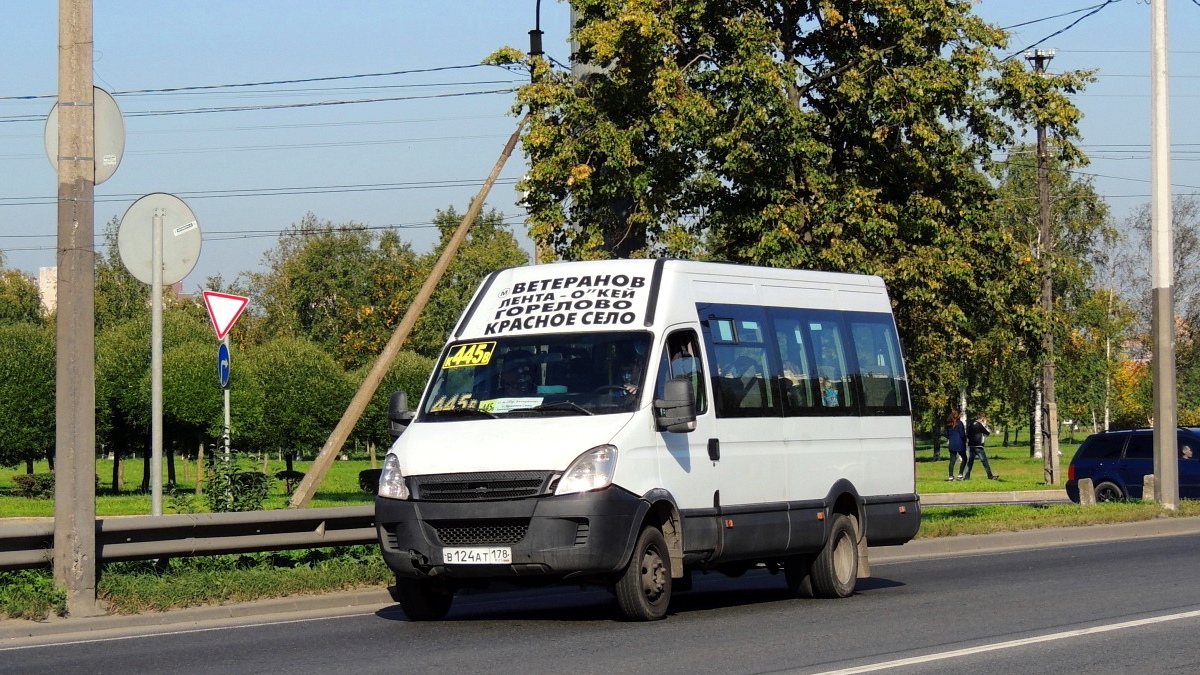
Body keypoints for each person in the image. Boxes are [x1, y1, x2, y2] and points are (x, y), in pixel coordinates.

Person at [965, 410, 999, 480]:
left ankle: (967, 476)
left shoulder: (971, 424)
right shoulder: (980, 425)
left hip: (971, 445)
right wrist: (985, 425)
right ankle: (990, 475)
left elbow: (968, 434)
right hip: (978, 446)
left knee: (970, 462)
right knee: (984, 461)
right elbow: (987, 433)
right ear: (982, 418)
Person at [943, 408, 968, 480]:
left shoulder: (948, 424)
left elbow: (945, 433)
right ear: (958, 415)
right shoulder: (959, 423)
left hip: (952, 444)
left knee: (952, 460)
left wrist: (950, 437)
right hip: (960, 443)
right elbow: (962, 434)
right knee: (964, 458)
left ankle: (950, 476)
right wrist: (965, 440)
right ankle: (960, 474)